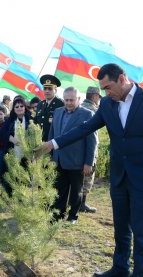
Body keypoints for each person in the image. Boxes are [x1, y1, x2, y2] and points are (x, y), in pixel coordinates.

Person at [37, 63, 143, 277]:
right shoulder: (108, 105)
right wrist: (54, 143)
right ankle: (120, 267)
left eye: (108, 87)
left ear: (122, 79)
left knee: (142, 232)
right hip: (119, 176)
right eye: (102, 89)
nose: (105, 93)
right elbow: (85, 128)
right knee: (121, 227)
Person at [48, 87, 97, 224]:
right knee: (59, 190)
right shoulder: (57, 112)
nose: (69, 103)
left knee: (76, 191)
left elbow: (92, 140)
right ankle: (58, 216)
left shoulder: (87, 114)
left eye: (72, 100)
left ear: (79, 99)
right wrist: (51, 156)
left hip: (77, 161)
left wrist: (89, 162)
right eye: (66, 100)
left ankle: (72, 216)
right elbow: (51, 135)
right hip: (58, 159)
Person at [0, 95, 33, 195]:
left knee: (25, 177)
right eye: (16, 107)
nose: (19, 108)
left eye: (21, 106)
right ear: (13, 109)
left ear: (25, 107)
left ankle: (23, 198)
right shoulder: (10, 120)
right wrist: (10, 138)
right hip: (12, 154)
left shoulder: (31, 119)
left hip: (27, 155)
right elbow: (1, 133)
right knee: (12, 178)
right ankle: (11, 199)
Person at [79, 86, 103, 213]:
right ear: (94, 96)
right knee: (87, 178)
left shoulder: (79, 107)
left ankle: (74, 202)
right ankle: (81, 204)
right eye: (98, 97)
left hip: (77, 150)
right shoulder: (93, 110)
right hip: (89, 150)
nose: (98, 100)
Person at [34, 74, 64, 141]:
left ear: (55, 90)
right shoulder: (40, 104)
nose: (47, 91)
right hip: (40, 142)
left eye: (50, 88)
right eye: (45, 88)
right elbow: (36, 123)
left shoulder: (60, 104)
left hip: (53, 142)